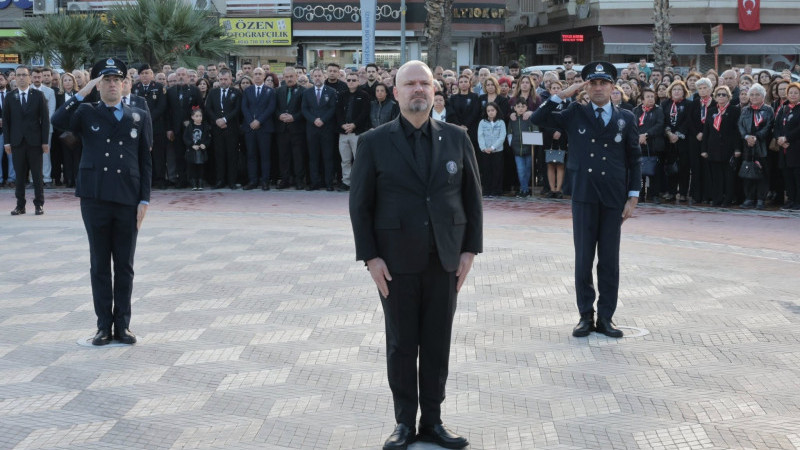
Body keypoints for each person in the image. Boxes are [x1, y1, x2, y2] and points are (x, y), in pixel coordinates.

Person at [349, 60, 482, 450]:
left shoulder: (457, 137)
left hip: (445, 260)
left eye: (424, 83)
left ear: (435, 89)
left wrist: (470, 251)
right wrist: (371, 258)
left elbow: (472, 200)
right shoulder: (373, 142)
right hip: (395, 264)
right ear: (396, 93)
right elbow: (360, 206)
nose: (418, 90)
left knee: (438, 344)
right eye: (410, 84)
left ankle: (434, 422)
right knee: (402, 345)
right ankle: (405, 423)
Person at [531, 61, 642, 338]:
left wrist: (633, 196)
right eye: (593, 83)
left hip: (614, 196)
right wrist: (565, 93)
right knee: (583, 259)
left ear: (613, 86)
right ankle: (585, 316)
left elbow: (634, 159)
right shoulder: (575, 112)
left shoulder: (625, 118)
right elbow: (537, 118)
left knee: (609, 260)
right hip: (584, 194)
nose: (598, 88)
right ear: (586, 86)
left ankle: (606, 317)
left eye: (603, 83)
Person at [51, 58, 152, 346]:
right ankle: (103, 326)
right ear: (99, 85)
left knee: (124, 265)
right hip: (95, 197)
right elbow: (57, 120)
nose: (111, 84)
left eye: (115, 80)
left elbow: (146, 160)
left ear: (123, 84)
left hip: (127, 198)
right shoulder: (86, 111)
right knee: (99, 264)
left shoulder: (138, 114)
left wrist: (144, 199)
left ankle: (123, 325)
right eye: (105, 80)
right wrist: (84, 90)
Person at [4, 65, 50, 215]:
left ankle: (39, 204)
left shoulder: (38, 95)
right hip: (17, 142)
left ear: (30, 77)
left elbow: (45, 120)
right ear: (15, 78)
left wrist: (44, 142)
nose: (22, 78)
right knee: (19, 175)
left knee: (37, 175)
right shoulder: (10, 97)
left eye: (24, 75)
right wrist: (7, 142)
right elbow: (6, 121)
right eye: (19, 75)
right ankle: (20, 205)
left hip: (35, 142)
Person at [701, 85, 741, 207]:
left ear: (728, 96)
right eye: (719, 94)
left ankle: (727, 199)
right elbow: (706, 130)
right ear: (715, 97)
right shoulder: (712, 110)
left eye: (724, 94)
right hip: (713, 148)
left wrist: (737, 148)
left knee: (728, 176)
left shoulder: (734, 110)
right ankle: (717, 198)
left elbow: (737, 131)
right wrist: (704, 149)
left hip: (728, 148)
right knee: (716, 176)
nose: (721, 97)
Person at [738, 84, 773, 210]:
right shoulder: (745, 110)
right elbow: (740, 125)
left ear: (763, 96)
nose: (754, 97)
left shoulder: (768, 110)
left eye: (757, 94)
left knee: (762, 173)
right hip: (747, 146)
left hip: (762, 146)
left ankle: (760, 199)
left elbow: (768, 126)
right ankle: (749, 198)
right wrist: (746, 137)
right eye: (751, 94)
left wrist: (756, 137)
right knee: (748, 172)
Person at [301, 68, 338, 191]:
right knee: (313, 157)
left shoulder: (332, 92)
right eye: (315, 76)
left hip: (326, 128)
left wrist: (322, 119)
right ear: (311, 77)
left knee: (328, 157)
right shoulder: (307, 92)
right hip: (312, 129)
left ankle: (328, 183)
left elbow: (333, 108)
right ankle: (314, 182)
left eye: (319, 75)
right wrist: (313, 120)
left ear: (324, 76)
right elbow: (304, 109)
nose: (317, 78)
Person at [132, 64, 168, 189]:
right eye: (142, 73)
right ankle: (148, 180)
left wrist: (148, 118)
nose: (144, 76)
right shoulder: (134, 88)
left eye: (147, 73)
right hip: (140, 127)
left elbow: (161, 106)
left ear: (152, 75)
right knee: (144, 155)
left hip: (156, 126)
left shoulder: (159, 87)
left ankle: (160, 179)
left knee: (159, 155)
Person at [205, 68, 242, 189]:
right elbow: (208, 109)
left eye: (225, 79)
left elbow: (237, 110)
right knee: (219, 155)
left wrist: (225, 120)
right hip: (217, 129)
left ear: (231, 79)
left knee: (232, 156)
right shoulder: (213, 92)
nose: (223, 82)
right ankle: (220, 180)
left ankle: (232, 181)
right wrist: (217, 120)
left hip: (231, 129)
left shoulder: (236, 93)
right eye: (221, 79)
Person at [241, 67, 276, 191]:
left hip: (265, 128)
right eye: (255, 74)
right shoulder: (247, 90)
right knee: (251, 155)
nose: (257, 76)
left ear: (264, 76)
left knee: (265, 155)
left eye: (259, 74)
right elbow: (244, 107)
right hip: (250, 128)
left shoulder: (270, 91)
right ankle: (253, 181)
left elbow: (271, 108)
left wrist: (259, 121)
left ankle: (265, 181)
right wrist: (251, 121)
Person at [335, 73, 371, 191]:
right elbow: (338, 112)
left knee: (358, 159)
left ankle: (359, 183)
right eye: (349, 80)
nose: (351, 82)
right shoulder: (342, 95)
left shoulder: (364, 95)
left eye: (354, 80)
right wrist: (342, 125)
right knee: (345, 160)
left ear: (358, 81)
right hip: (343, 132)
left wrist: (354, 125)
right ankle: (346, 182)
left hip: (357, 132)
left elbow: (364, 113)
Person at [274, 66, 307, 190]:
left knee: (298, 156)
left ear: (296, 77)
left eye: (291, 76)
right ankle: (285, 179)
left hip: (297, 129)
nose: (289, 79)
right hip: (282, 129)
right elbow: (275, 108)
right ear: (283, 77)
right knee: (283, 156)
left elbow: (304, 109)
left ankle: (299, 180)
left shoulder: (304, 91)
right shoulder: (278, 91)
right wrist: (279, 115)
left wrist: (294, 117)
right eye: (286, 77)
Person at [634, 87, 666, 203]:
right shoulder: (636, 110)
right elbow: (632, 126)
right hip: (639, 145)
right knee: (640, 172)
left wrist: (646, 135)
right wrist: (639, 136)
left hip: (654, 145)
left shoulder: (658, 110)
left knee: (654, 171)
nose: (651, 99)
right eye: (648, 97)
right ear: (642, 99)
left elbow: (660, 125)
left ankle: (654, 194)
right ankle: (641, 194)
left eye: (652, 96)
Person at [775, 82, 800, 210]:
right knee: (787, 176)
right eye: (791, 92)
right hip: (783, 148)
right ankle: (790, 199)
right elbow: (777, 125)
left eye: (796, 92)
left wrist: (787, 138)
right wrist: (779, 138)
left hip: (796, 147)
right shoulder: (784, 108)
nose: (793, 95)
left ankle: (798, 201)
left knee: (797, 176)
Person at [507, 101, 535, 197]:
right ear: (514, 108)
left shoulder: (530, 118)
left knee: (528, 170)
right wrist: (512, 145)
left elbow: (535, 130)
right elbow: (509, 133)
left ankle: (524, 189)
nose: (520, 108)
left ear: (526, 107)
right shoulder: (513, 120)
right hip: (517, 150)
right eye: (518, 106)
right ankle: (524, 189)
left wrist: (533, 142)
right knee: (520, 170)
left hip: (529, 149)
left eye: (522, 106)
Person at [477, 102, 505, 196]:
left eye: (492, 110)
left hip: (497, 151)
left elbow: (502, 137)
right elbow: (480, 136)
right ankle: (486, 190)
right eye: (488, 110)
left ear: (496, 111)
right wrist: (484, 148)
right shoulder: (482, 122)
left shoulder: (501, 122)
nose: (491, 112)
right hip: (485, 151)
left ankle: (496, 190)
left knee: (497, 171)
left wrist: (493, 147)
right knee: (486, 171)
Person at [183, 107, 211, 190]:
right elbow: (185, 137)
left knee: (201, 167)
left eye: (200, 116)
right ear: (192, 117)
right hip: (192, 151)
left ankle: (200, 183)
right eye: (197, 116)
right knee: (192, 167)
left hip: (201, 151)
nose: (199, 118)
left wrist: (205, 144)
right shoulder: (189, 126)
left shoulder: (205, 126)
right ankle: (194, 183)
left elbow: (208, 138)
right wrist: (191, 145)